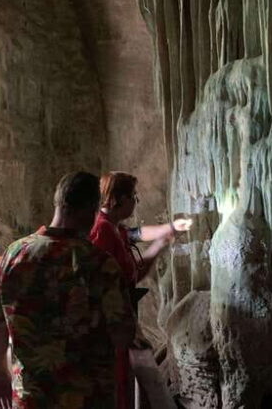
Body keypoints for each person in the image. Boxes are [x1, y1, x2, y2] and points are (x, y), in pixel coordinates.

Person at [0, 171, 136, 409]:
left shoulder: (14, 255)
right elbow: (123, 335)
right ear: (90, 208)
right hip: (88, 399)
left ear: (58, 202)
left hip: (32, 399)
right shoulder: (99, 264)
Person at [89, 172, 192, 409]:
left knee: (124, 381)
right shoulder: (103, 232)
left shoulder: (114, 227)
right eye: (133, 196)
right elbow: (127, 274)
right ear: (119, 200)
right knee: (115, 385)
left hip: (121, 321)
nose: (136, 201)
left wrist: (170, 230)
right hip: (109, 325)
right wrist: (160, 245)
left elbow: (138, 234)